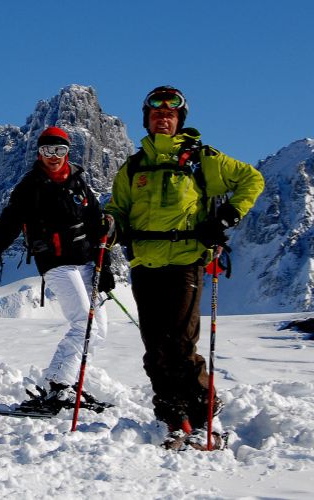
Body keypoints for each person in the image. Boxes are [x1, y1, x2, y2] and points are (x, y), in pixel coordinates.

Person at [105, 86, 264, 449]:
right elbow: (119, 209)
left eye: (170, 114)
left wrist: (227, 215)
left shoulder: (201, 159)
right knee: (155, 347)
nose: (163, 117)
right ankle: (173, 418)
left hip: (186, 261)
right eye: (156, 113)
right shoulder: (133, 167)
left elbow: (251, 180)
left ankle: (207, 417)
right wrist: (110, 225)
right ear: (146, 120)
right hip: (145, 263)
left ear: (179, 120)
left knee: (179, 342)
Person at [0, 126, 115, 415]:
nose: (53, 156)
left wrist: (105, 265)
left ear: (68, 152)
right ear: (39, 153)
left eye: (59, 150)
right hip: (56, 263)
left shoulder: (78, 182)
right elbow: (7, 226)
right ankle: (57, 386)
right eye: (47, 150)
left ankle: (69, 385)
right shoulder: (30, 187)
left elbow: (97, 224)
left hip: (87, 262)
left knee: (99, 328)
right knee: (83, 321)